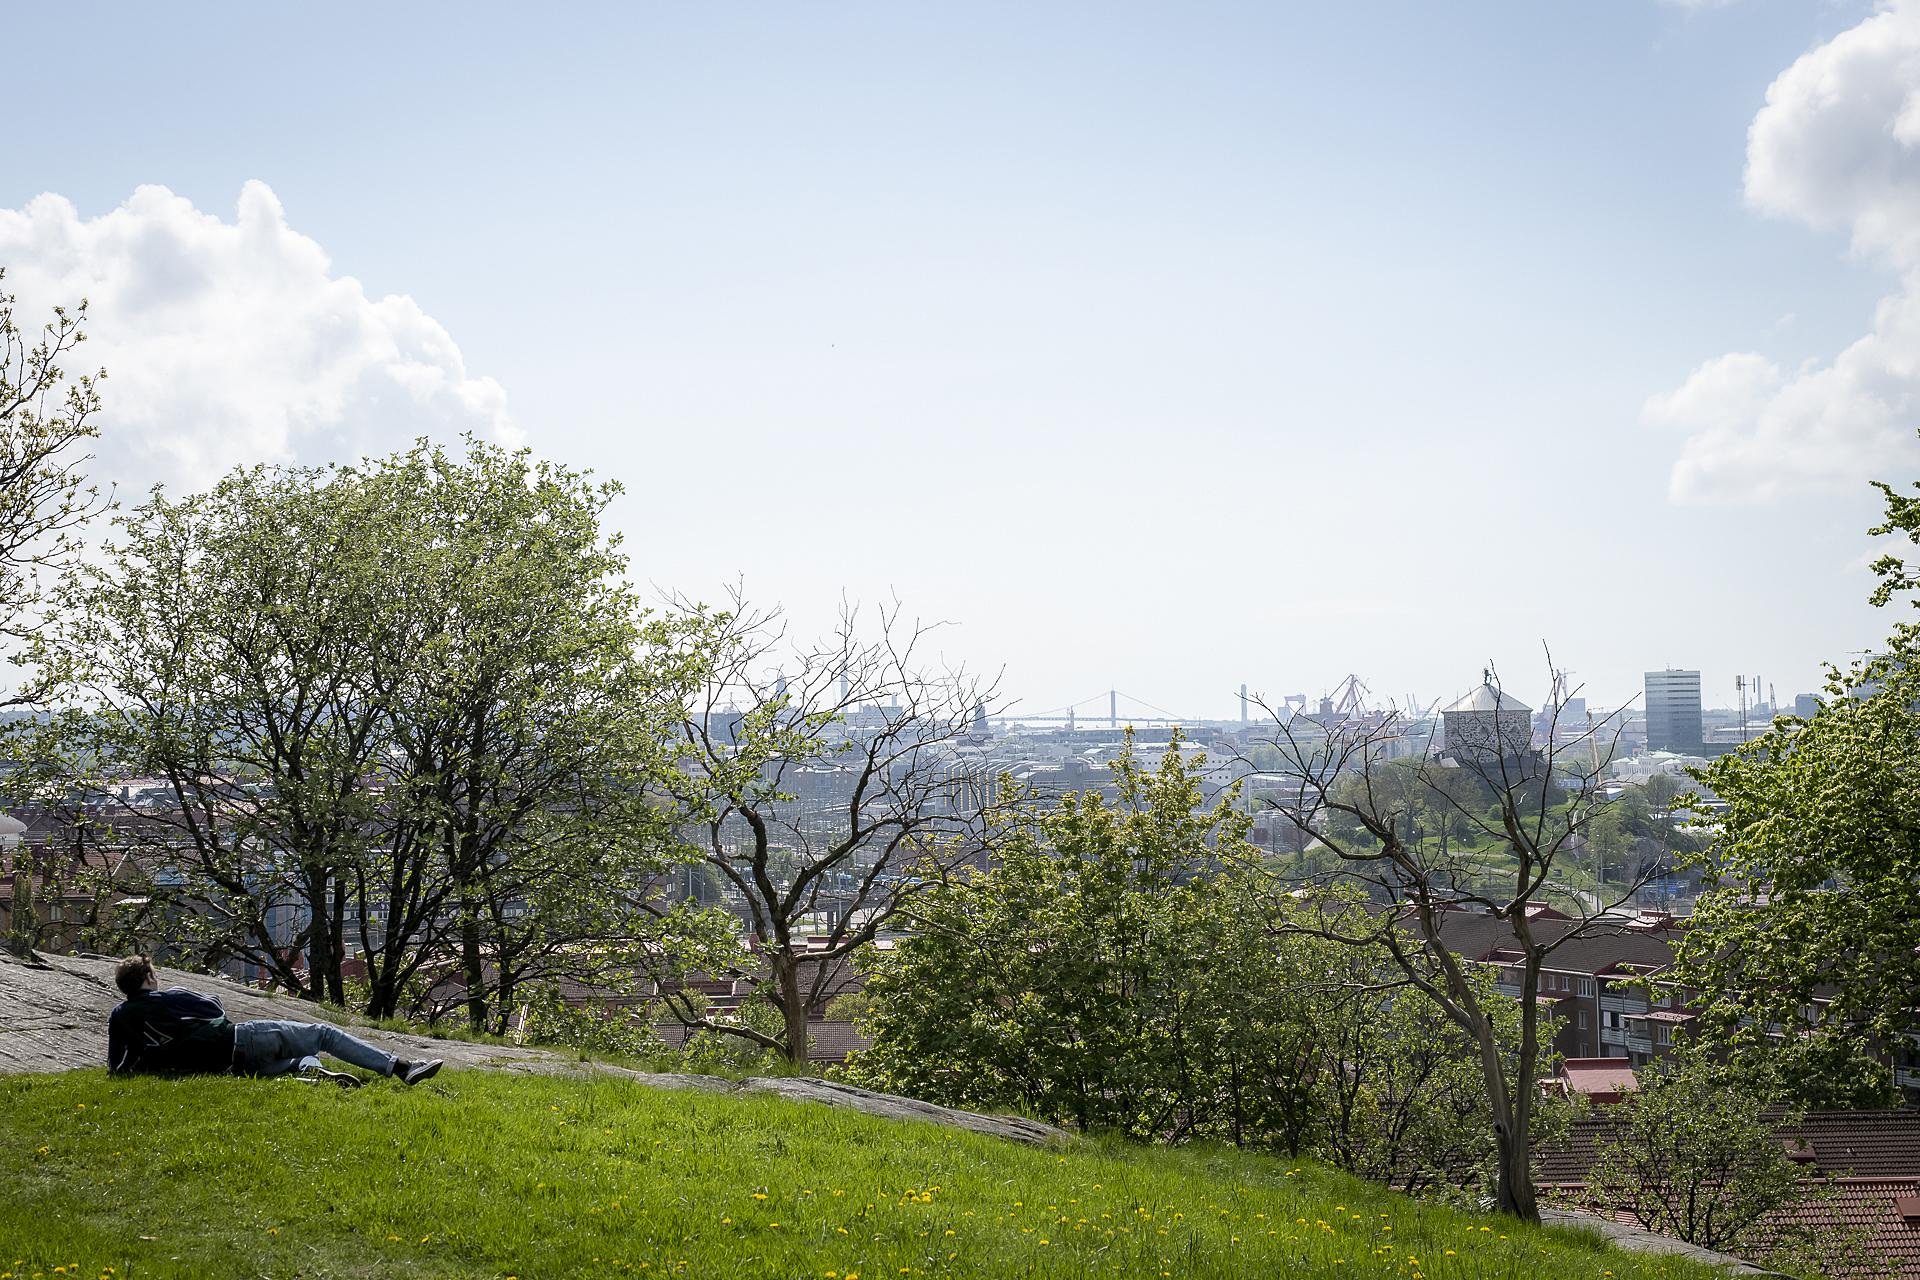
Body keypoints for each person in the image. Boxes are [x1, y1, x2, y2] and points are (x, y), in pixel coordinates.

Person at [107, 955, 443, 1088]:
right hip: (243, 1040)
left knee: (292, 1064)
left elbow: (119, 1066)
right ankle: (401, 1067)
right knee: (322, 1033)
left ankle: (314, 1074)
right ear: (149, 977)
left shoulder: (121, 1017)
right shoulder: (166, 997)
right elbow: (214, 1010)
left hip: (223, 1066)